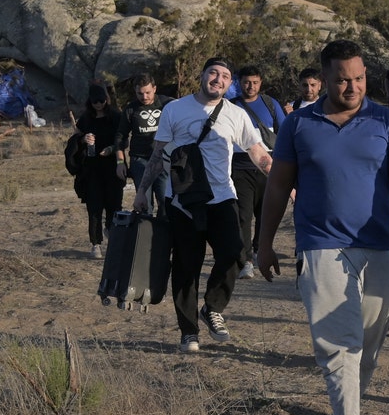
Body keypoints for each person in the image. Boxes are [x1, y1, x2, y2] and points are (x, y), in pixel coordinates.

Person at [256, 39, 389, 415]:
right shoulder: (299, 125)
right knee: (339, 347)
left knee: (365, 348)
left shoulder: (385, 120)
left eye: (360, 78)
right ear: (323, 79)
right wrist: (264, 241)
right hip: (321, 243)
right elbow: (277, 186)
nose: (353, 86)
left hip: (380, 244)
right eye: (343, 79)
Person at [132, 58, 271, 353]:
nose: (218, 79)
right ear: (202, 76)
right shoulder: (175, 109)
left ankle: (212, 307)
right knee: (186, 266)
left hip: (222, 197)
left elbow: (258, 153)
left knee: (236, 253)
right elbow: (157, 155)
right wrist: (141, 191)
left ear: (228, 83)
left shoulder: (236, 114)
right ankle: (188, 331)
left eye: (224, 76)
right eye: (213, 73)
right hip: (181, 200)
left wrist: (287, 182)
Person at [230, 66, 286, 280]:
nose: (250, 86)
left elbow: (284, 131)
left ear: (261, 82)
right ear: (239, 83)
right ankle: (246, 261)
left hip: (268, 167)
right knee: (243, 216)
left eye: (254, 82)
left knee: (264, 215)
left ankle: (258, 249)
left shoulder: (271, 104)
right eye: (246, 82)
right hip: (239, 167)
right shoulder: (231, 106)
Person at [76, 81, 125, 259]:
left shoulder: (116, 117)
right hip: (92, 169)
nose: (98, 104)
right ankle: (95, 243)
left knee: (114, 204)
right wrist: (83, 140)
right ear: (90, 101)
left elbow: (123, 139)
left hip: (112, 167)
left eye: (102, 100)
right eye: (95, 101)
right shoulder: (85, 119)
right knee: (94, 207)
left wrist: (112, 149)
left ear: (107, 99)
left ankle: (112, 235)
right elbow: (73, 141)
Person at [115, 73, 173, 218]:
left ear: (154, 88)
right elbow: (120, 137)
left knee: (166, 202)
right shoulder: (130, 109)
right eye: (140, 93)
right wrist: (120, 162)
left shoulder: (167, 104)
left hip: (162, 160)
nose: (144, 97)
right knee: (144, 204)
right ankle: (145, 237)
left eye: (148, 92)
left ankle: (163, 238)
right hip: (140, 160)